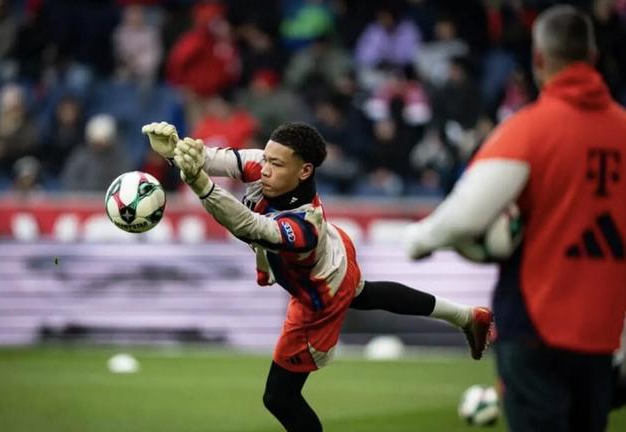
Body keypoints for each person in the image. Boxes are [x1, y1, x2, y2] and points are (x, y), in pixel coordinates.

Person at [142, 120, 493, 431]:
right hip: (335, 250)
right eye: (266, 158)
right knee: (365, 293)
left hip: (320, 292)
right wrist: (175, 151)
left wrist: (202, 186)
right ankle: (466, 316)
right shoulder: (269, 164)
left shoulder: (303, 226)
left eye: (276, 164)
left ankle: (465, 317)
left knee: (279, 398)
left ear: (305, 171)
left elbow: (249, 226)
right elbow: (212, 158)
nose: (265, 168)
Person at [401, 5, 626, 432]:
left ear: (538, 60)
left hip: (536, 326)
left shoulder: (529, 129)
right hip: (601, 333)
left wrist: (418, 240)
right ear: (594, 58)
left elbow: (464, 217)